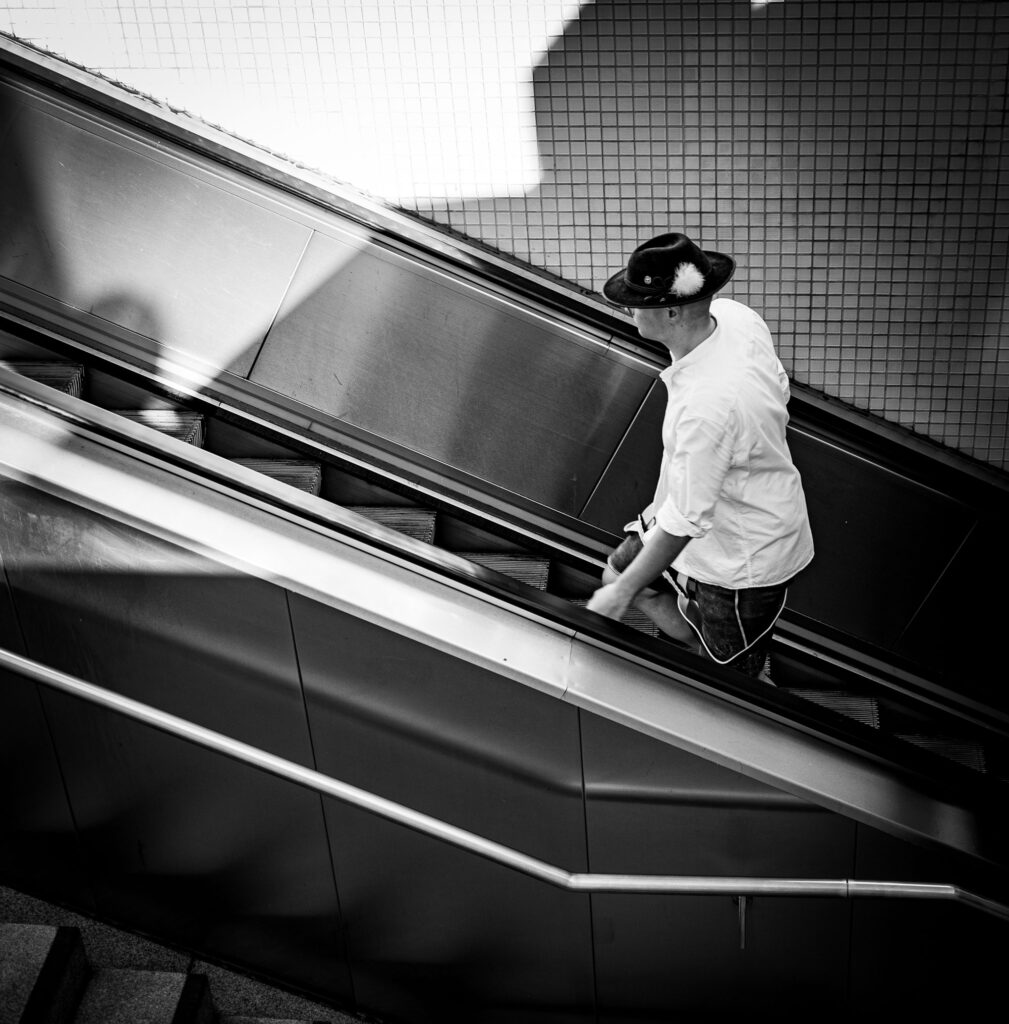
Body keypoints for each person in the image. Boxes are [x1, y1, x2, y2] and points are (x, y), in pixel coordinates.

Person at [586, 232, 814, 679]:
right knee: (621, 578)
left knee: (731, 673)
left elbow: (687, 519)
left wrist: (618, 599)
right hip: (683, 515)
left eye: (637, 302)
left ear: (671, 311)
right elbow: (779, 390)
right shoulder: (735, 316)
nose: (630, 309)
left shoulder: (709, 406)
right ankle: (694, 641)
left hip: (741, 561)